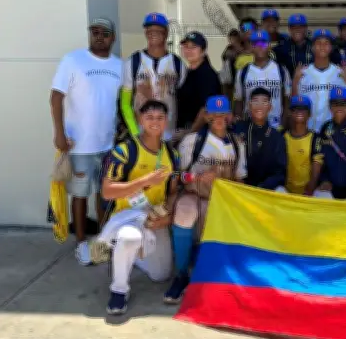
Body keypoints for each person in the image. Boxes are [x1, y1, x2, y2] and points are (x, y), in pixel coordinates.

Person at [50, 17, 123, 265]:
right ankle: (81, 242)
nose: (99, 36)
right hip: (79, 145)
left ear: (113, 37)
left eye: (104, 33)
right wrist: (59, 133)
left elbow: (121, 102)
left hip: (108, 145)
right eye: (94, 32)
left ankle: (103, 240)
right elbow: (56, 98)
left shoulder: (119, 65)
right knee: (79, 195)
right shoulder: (73, 60)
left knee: (105, 195)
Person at [164, 95, 247, 304]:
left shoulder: (237, 144)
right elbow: (178, 176)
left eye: (223, 114)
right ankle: (181, 274)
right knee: (184, 211)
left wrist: (226, 180)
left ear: (229, 116)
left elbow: (240, 179)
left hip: (220, 200)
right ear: (207, 116)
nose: (218, 118)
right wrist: (198, 177)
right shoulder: (192, 141)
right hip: (195, 194)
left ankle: (206, 272)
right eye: (214, 114)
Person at [99, 100, 180, 316]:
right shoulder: (125, 150)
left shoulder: (172, 154)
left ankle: (127, 256)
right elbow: (107, 191)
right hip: (128, 215)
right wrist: (144, 182)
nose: (155, 122)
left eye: (160, 118)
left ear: (166, 121)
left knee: (160, 275)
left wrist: (167, 216)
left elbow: (173, 191)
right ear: (140, 120)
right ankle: (118, 290)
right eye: (150, 117)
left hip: (154, 217)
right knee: (129, 238)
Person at [120, 12, 186, 142]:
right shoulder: (133, 62)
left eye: (158, 30)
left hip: (168, 135)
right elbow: (125, 103)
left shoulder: (177, 64)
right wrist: (135, 132)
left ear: (166, 33)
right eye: (149, 30)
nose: (153, 33)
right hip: (141, 134)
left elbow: (182, 100)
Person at [233, 30, 291, 129]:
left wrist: (283, 125)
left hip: (275, 126)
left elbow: (287, 100)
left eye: (263, 43)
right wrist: (240, 126)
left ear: (269, 46)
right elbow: (239, 102)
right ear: (251, 47)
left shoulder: (281, 70)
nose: (260, 47)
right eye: (256, 44)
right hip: (250, 127)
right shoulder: (243, 72)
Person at [292, 29, 346, 132]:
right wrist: (295, 82)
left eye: (326, 43)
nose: (322, 46)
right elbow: (295, 103)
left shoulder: (340, 73)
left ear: (331, 48)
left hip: (333, 131)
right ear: (312, 47)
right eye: (318, 43)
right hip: (308, 130)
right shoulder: (303, 73)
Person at [234, 88, 287, 190]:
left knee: (281, 191)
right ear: (249, 106)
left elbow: (281, 172)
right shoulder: (237, 129)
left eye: (264, 101)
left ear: (270, 107)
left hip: (267, 188)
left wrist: (264, 186)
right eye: (255, 101)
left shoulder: (277, 136)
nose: (259, 105)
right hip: (241, 186)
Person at [175, 31, 222, 138]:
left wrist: (190, 133)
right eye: (186, 47)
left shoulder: (207, 74)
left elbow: (206, 108)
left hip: (200, 134)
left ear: (203, 51)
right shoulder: (188, 72)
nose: (189, 50)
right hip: (184, 129)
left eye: (194, 47)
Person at [276, 96, 317, 196]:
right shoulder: (281, 136)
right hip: (285, 191)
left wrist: (310, 188)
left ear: (310, 114)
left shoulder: (315, 138)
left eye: (303, 109)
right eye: (295, 109)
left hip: (309, 192)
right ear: (290, 112)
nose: (299, 112)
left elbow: (317, 165)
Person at [219, 17, 258, 92]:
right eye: (244, 28)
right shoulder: (231, 55)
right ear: (240, 32)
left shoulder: (266, 53)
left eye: (251, 28)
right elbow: (225, 82)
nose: (248, 31)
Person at [220, 29, 242, 98]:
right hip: (230, 76)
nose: (233, 40)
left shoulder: (242, 47)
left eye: (234, 38)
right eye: (231, 38)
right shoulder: (229, 48)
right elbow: (224, 57)